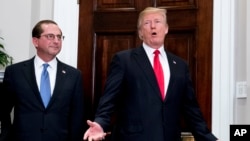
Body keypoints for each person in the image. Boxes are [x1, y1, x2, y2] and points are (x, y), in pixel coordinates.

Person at [83, 7, 219, 141]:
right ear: (141, 32)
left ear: (166, 28)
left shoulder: (180, 66)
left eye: (158, 22)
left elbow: (191, 110)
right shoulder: (124, 60)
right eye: (147, 23)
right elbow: (109, 100)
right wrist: (100, 123)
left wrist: (209, 138)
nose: (153, 26)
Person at [0, 20, 85, 141]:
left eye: (59, 37)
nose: (56, 41)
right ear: (35, 41)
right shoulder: (15, 72)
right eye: (50, 36)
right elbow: (3, 111)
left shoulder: (73, 75)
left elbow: (78, 117)